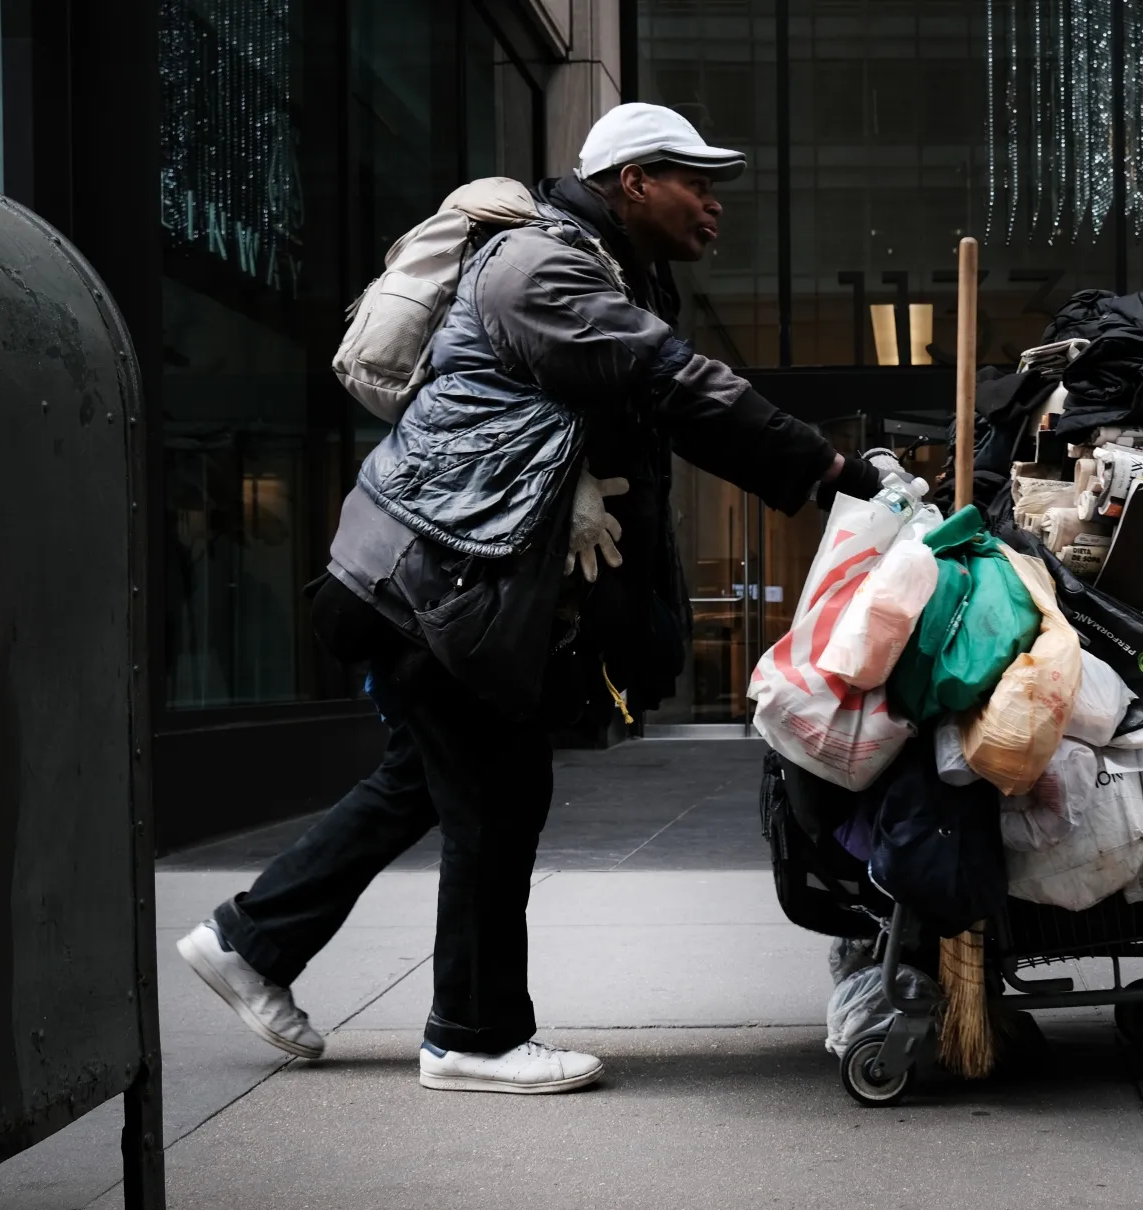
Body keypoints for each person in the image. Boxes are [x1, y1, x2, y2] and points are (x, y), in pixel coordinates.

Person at [177, 104, 893, 1094]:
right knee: (497, 802)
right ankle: (470, 1034)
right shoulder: (541, 269)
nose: (713, 202)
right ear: (631, 181)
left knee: (421, 782)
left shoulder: (606, 273)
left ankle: (250, 941)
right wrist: (828, 472)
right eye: (695, 179)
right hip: (433, 585)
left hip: (435, 579)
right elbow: (672, 386)